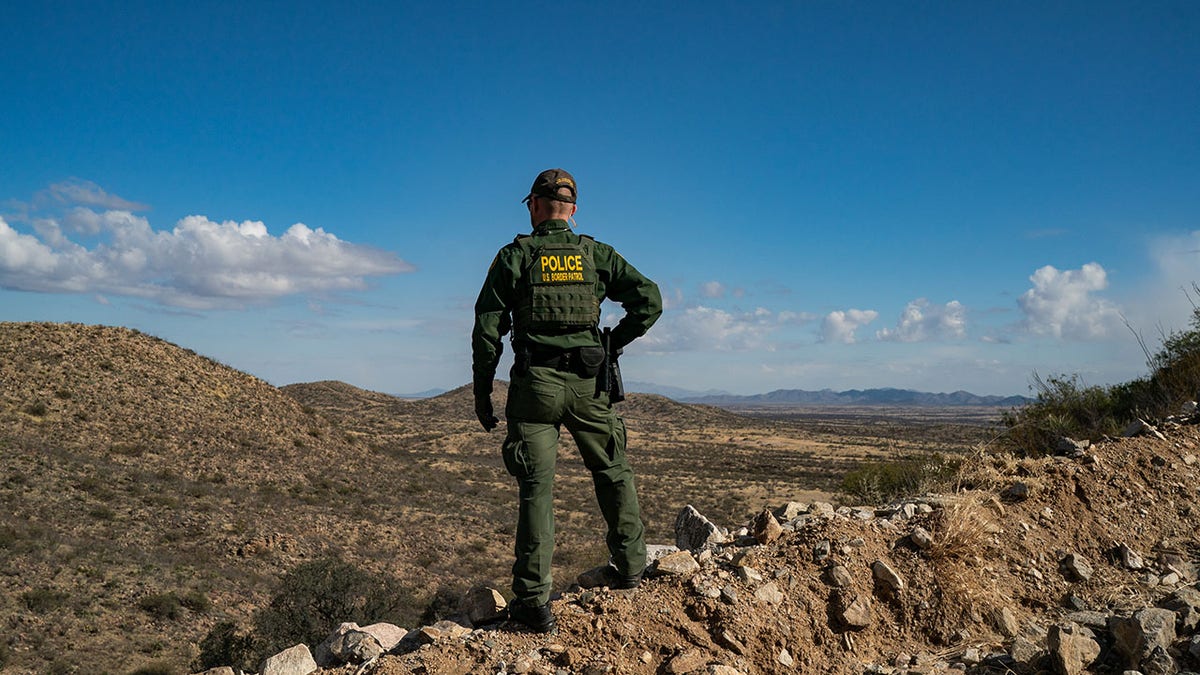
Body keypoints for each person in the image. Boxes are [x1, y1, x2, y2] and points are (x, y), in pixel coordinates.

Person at [471, 168, 663, 633]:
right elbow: (650, 301)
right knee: (613, 472)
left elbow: (487, 330)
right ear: (572, 211)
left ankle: (533, 602)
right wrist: (615, 342)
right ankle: (633, 566)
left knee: (536, 491)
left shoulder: (514, 256)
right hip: (589, 383)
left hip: (535, 387)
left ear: (535, 206)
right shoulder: (594, 254)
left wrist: (483, 390)